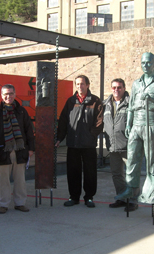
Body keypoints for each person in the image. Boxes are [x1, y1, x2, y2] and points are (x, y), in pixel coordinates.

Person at [115, 52, 154, 204]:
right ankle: (131, 188)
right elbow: (131, 106)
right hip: (136, 125)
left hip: (151, 123)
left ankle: (152, 191)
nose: (145, 65)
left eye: (149, 63)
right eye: (143, 63)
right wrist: (128, 124)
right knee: (132, 158)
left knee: (151, 160)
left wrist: (152, 99)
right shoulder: (136, 83)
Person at [56, 75, 103, 208]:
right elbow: (64, 121)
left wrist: (91, 135)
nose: (79, 87)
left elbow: (99, 122)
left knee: (90, 172)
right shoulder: (71, 101)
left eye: (82, 84)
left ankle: (89, 197)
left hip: (88, 145)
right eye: (77, 84)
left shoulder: (95, 101)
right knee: (73, 172)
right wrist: (60, 138)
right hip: (73, 144)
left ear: (87, 85)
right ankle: (74, 197)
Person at [0, 84, 35, 214]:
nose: (8, 96)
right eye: (5, 94)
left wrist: (31, 148)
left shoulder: (22, 111)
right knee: (4, 180)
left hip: (20, 150)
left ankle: (20, 203)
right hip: (3, 151)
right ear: (1, 95)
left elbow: (29, 131)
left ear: (15, 95)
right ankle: (4, 204)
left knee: (20, 179)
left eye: (10, 93)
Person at [103, 78, 134, 210]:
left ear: (124, 88)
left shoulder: (131, 103)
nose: (116, 90)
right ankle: (121, 198)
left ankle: (132, 201)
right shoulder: (105, 104)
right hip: (113, 146)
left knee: (131, 175)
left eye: (119, 87)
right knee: (116, 174)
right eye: (114, 87)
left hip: (128, 146)